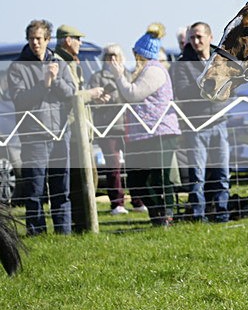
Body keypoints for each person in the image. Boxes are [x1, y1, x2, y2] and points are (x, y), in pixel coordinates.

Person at [7, 20, 76, 235]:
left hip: (59, 134)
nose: (35, 43)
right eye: (31, 39)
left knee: (61, 189)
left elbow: (70, 94)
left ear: (48, 40)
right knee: (35, 189)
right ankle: (36, 233)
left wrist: (55, 80)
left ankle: (63, 233)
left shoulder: (60, 63)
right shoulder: (17, 67)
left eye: (39, 39)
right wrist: (44, 83)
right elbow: (20, 100)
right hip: (34, 135)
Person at [111, 23, 181, 226]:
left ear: (141, 54)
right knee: (137, 181)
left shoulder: (154, 71)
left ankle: (165, 215)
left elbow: (133, 94)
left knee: (160, 178)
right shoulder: (143, 71)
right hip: (142, 134)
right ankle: (158, 215)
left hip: (159, 132)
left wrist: (118, 75)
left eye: (135, 53)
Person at [171, 21, 231, 222]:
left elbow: (231, 83)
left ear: (210, 37)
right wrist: (208, 85)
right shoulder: (182, 63)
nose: (196, 41)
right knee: (197, 176)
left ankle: (222, 212)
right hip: (196, 126)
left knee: (223, 173)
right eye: (192, 37)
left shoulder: (221, 58)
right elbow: (182, 91)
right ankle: (198, 216)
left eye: (199, 37)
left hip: (219, 121)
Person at [54, 25, 107, 230]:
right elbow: (70, 96)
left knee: (90, 180)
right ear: (67, 40)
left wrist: (95, 98)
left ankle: (85, 223)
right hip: (73, 132)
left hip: (83, 130)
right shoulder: (60, 63)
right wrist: (91, 94)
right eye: (77, 38)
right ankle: (82, 225)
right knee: (79, 182)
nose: (80, 43)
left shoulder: (73, 62)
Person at [88, 44, 148, 215]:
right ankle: (117, 204)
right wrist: (99, 100)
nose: (112, 59)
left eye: (115, 55)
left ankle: (138, 200)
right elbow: (92, 103)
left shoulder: (129, 75)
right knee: (113, 168)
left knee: (134, 165)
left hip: (129, 127)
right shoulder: (97, 78)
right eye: (108, 56)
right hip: (109, 128)